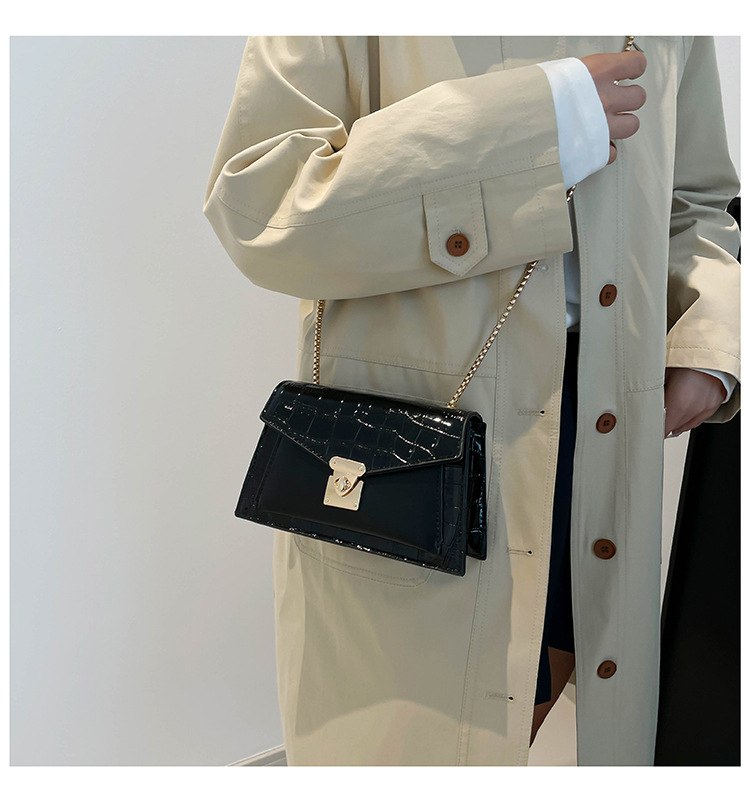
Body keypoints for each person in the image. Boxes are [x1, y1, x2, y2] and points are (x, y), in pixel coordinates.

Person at [203, 36, 740, 765]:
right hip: (421, 429)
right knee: (417, 739)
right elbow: (260, 205)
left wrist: (709, 336)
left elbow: (697, 200)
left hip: (606, 415)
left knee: (553, 697)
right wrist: (535, 120)